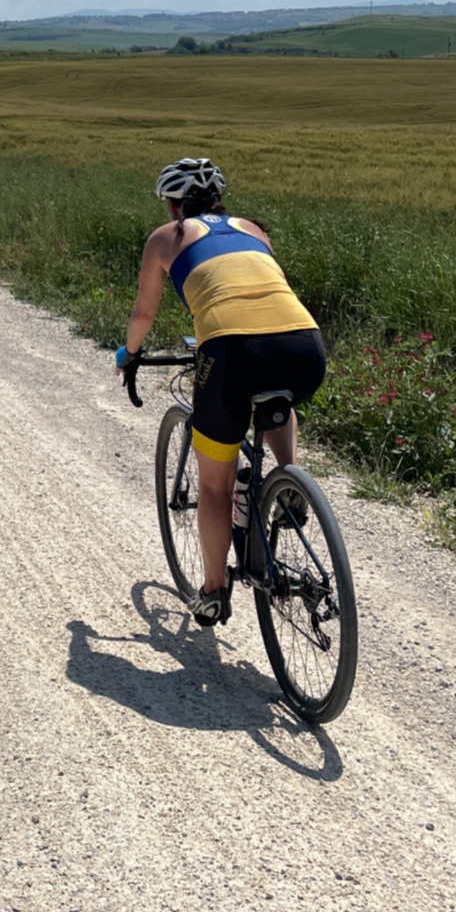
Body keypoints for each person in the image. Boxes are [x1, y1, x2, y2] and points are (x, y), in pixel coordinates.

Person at [112, 158, 324, 627]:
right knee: (277, 396)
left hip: (231, 350)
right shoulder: (252, 228)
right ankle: (288, 479)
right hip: (304, 344)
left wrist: (129, 356)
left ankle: (212, 591)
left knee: (214, 484)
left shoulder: (168, 236)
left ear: (173, 205)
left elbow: (143, 314)